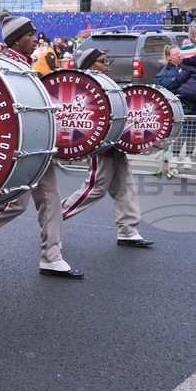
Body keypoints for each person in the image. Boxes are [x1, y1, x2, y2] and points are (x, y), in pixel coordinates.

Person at [0, 15, 84, 284]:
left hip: (39, 143)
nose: (35, 39)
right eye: (30, 35)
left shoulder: (29, 65)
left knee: (51, 199)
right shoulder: (3, 66)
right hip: (19, 146)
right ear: (16, 39)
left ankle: (51, 256)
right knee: (16, 203)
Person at [60, 49, 153, 247]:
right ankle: (55, 217)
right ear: (90, 65)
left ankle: (128, 230)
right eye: (103, 61)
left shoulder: (107, 84)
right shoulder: (87, 87)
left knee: (124, 186)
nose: (107, 64)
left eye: (108, 60)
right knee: (96, 188)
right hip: (100, 145)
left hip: (115, 142)